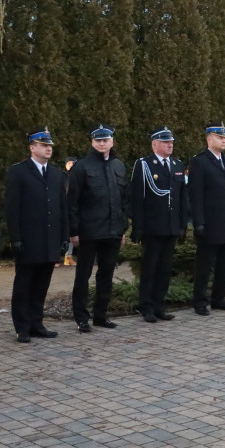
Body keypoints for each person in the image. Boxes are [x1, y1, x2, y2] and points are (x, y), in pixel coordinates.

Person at [5, 128, 66, 343]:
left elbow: (62, 207)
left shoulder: (57, 174)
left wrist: (64, 237)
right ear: (32, 147)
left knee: (41, 285)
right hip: (29, 240)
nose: (49, 148)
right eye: (43, 145)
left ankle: (36, 323)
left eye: (50, 145)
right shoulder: (19, 172)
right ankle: (22, 327)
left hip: (50, 239)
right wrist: (15, 237)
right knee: (24, 285)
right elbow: (12, 208)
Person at [68, 124, 128, 333]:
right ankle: (81, 318)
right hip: (89, 231)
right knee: (83, 276)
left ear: (112, 142)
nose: (102, 144)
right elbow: (72, 201)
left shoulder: (119, 166)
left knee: (106, 275)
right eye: (98, 140)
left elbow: (123, 201)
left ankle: (101, 315)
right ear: (92, 142)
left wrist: (122, 229)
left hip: (112, 231)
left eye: (105, 140)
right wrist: (74, 231)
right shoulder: (82, 167)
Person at [129, 126, 189, 323]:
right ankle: (146, 307)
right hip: (152, 227)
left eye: (171, 142)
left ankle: (159, 306)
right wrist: (138, 227)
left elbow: (182, 198)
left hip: (171, 226)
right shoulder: (144, 164)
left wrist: (182, 224)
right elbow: (137, 198)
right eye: (165, 142)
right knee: (150, 269)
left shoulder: (177, 164)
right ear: (155, 144)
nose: (170, 145)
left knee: (165, 270)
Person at [189, 122, 225, 316]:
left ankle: (219, 299)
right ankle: (200, 301)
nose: (224, 140)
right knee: (204, 266)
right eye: (220, 138)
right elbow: (196, 195)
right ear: (209, 139)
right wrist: (199, 222)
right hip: (210, 223)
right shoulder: (200, 162)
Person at [62, 156, 79, 266]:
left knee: (71, 232)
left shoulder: (77, 176)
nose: (71, 165)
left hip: (72, 209)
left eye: (73, 163)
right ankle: (56, 257)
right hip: (62, 208)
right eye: (69, 163)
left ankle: (68, 257)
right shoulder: (61, 176)